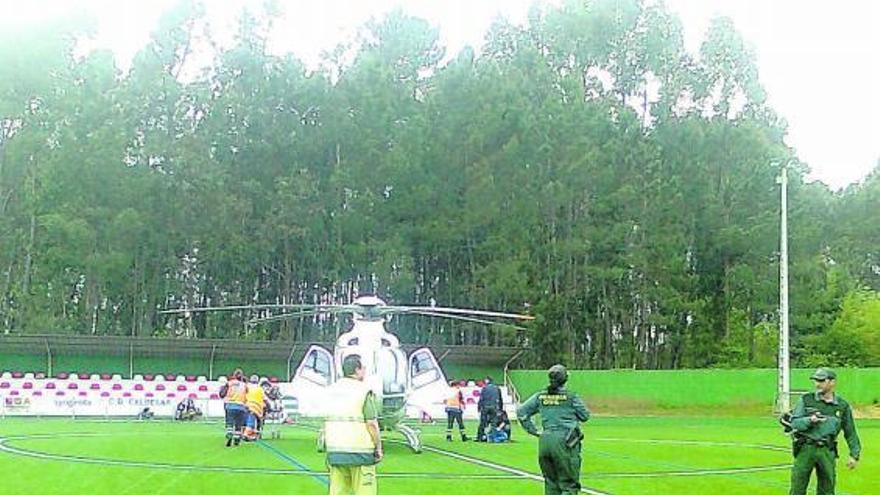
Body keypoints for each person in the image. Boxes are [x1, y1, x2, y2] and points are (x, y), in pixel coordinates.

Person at [517, 364, 590, 495]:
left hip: (545, 441)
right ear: (565, 379)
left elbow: (521, 412)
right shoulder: (571, 397)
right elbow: (585, 416)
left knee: (551, 484)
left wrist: (533, 430)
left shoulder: (540, 396)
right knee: (569, 485)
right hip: (565, 443)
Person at [789, 367, 861, 495]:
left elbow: (850, 431)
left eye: (821, 381)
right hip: (806, 448)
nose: (817, 384)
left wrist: (854, 454)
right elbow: (794, 423)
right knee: (797, 488)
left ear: (832, 382)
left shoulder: (842, 406)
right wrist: (810, 420)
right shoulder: (806, 399)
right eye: (816, 380)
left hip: (827, 451)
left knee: (827, 489)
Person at [324, 355, 382, 495]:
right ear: (357, 370)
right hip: (360, 451)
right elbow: (371, 424)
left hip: (335, 451)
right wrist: (378, 447)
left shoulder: (331, 390)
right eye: (363, 368)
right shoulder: (364, 391)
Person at [220, 368, 248, 447]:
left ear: (234, 375)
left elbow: (222, 394)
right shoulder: (244, 385)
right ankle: (237, 440)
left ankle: (229, 434)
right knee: (238, 425)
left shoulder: (229, 383)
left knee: (230, 423)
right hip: (241, 406)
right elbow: (247, 394)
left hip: (230, 405)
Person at [476, 376, 502, 442]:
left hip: (485, 407)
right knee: (494, 423)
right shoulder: (497, 388)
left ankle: (480, 437)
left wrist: (479, 407)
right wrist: (500, 409)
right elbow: (500, 399)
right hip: (494, 407)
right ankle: (493, 438)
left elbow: (481, 398)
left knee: (483, 422)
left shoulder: (484, 388)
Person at [243, 374, 265, 441]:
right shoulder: (260, 389)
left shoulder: (247, 387)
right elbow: (263, 399)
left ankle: (248, 433)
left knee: (247, 421)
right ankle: (247, 434)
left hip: (247, 406)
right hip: (256, 408)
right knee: (253, 422)